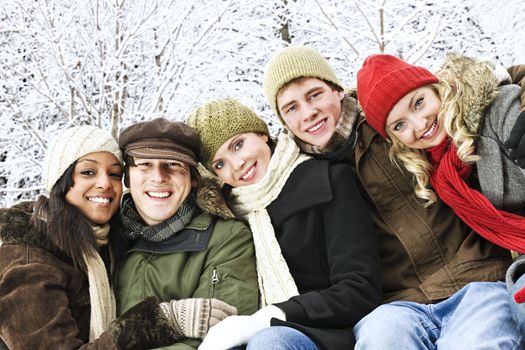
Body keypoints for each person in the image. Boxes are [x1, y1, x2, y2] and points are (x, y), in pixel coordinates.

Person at [263, 46, 523, 348]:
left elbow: (483, 86)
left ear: (337, 91)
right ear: (283, 122)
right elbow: (231, 174)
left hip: (474, 277)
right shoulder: (297, 174)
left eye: (314, 95)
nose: (308, 113)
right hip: (396, 305)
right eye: (291, 108)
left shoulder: (389, 115)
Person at [187, 98, 380, 350]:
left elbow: (359, 288)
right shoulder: (230, 215)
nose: (237, 165)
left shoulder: (328, 180)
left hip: (333, 333)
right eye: (220, 164)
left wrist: (268, 318)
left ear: (261, 134)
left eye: (238, 145)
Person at [356, 52, 525, 338]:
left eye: (419, 102)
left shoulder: (494, 113)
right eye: (400, 125)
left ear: (436, 87)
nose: (419, 124)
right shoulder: (438, 172)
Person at [0, 125, 178, 349]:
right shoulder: (28, 262)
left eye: (114, 174)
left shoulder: (108, 241)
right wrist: (160, 322)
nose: (105, 183)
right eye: (88, 172)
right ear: (60, 181)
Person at [116, 118, 259, 349]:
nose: (158, 177)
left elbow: (219, 341)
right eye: (144, 164)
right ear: (127, 177)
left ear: (193, 179)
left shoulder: (226, 238)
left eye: (173, 165)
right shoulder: (105, 238)